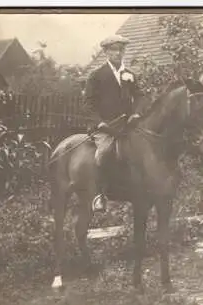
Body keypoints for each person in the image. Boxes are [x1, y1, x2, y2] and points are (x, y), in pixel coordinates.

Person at [83, 34, 141, 213]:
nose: (118, 53)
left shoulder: (129, 74)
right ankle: (100, 195)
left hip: (127, 126)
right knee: (105, 153)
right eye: (114, 49)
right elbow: (88, 103)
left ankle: (137, 191)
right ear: (106, 52)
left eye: (121, 49)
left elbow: (140, 96)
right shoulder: (96, 76)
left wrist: (137, 112)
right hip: (105, 127)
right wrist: (99, 122)